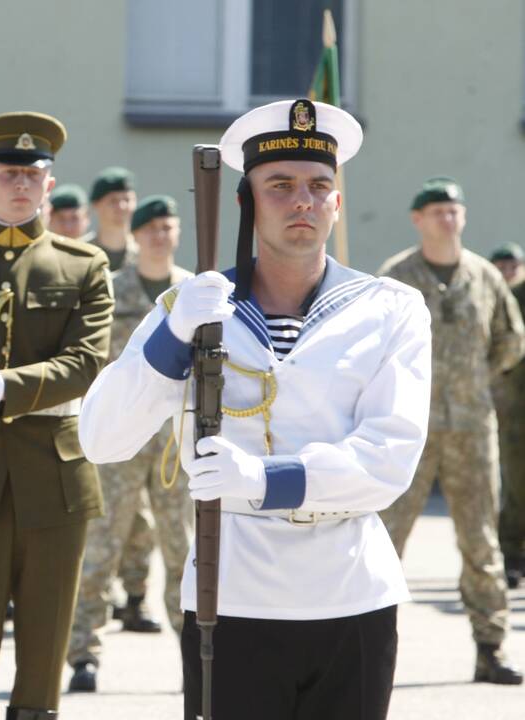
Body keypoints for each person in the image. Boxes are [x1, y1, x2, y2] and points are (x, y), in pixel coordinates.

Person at [80, 99, 434, 719]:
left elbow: (390, 459)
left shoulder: (391, 309)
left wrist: (266, 481)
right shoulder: (190, 306)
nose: (303, 200)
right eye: (280, 185)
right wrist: (174, 336)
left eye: (319, 186)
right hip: (231, 596)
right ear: (245, 201)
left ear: (338, 204)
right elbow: (102, 438)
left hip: (348, 595)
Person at [0, 111, 113, 720]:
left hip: (54, 471)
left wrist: (3, 388)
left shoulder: (82, 264)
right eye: (7, 173)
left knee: (45, 643)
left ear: (49, 182)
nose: (20, 184)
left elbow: (88, 360)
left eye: (32, 173)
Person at [380, 177, 525, 684]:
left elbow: (511, 341)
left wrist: (473, 383)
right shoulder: (396, 278)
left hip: (470, 428)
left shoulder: (484, 276)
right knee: (383, 538)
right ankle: (371, 645)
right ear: (418, 219)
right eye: (437, 211)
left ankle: (491, 647)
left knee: (480, 541)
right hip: (406, 428)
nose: (447, 218)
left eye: (454, 211)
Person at [68, 194, 195, 693]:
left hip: (175, 443)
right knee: (102, 544)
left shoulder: (192, 291)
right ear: (137, 236)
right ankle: (84, 653)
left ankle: (194, 653)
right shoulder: (112, 288)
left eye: (169, 228)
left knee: (183, 548)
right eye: (153, 229)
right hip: (123, 439)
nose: (161, 236)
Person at [491, 242, 525, 588]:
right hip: (515, 404)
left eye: (514, 263)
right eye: (503, 263)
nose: (509, 269)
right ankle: (512, 555)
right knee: (517, 483)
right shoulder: (506, 298)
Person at [87, 167, 137, 271]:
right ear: (96, 205)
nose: (122, 206)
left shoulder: (145, 253)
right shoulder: (81, 252)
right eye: (113, 201)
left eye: (127, 200)